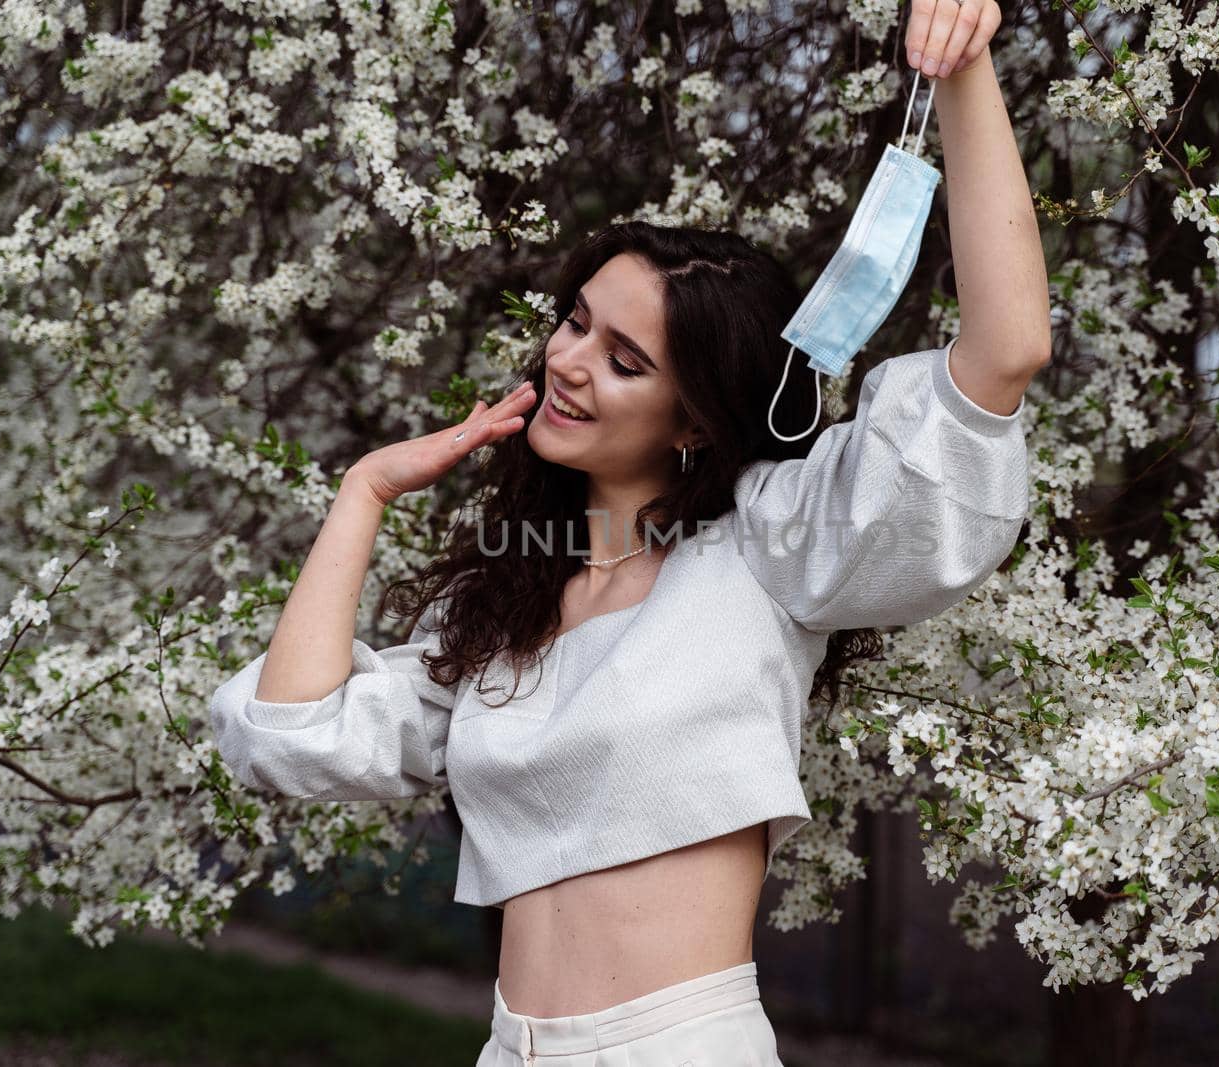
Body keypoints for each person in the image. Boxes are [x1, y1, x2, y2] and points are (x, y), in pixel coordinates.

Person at [209, 3, 1049, 1063]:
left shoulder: (766, 549)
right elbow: (288, 738)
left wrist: (963, 71)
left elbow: (1004, 352)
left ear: (695, 418)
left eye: (625, 360)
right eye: (576, 323)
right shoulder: (505, 614)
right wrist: (363, 492)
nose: (568, 361)